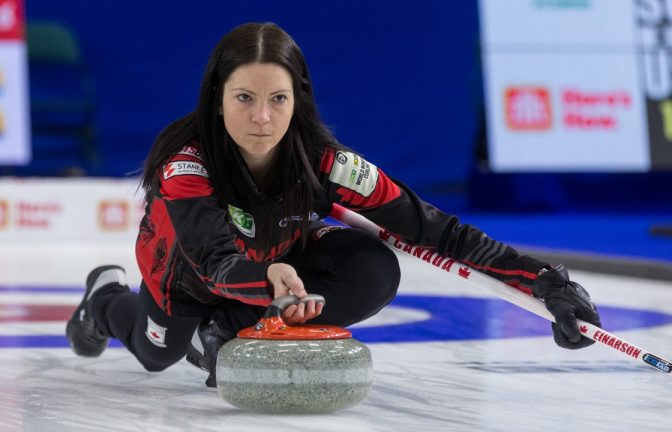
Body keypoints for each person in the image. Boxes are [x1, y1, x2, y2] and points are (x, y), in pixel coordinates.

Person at [66, 22, 601, 387]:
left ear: (298, 100)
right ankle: (103, 300)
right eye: (244, 99)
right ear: (217, 98)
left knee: (373, 267)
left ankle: (230, 329)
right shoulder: (186, 168)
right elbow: (212, 260)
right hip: (183, 276)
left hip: (271, 271)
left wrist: (542, 280)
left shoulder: (328, 163)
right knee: (155, 354)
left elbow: (435, 230)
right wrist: (266, 280)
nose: (261, 119)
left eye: (278, 99)